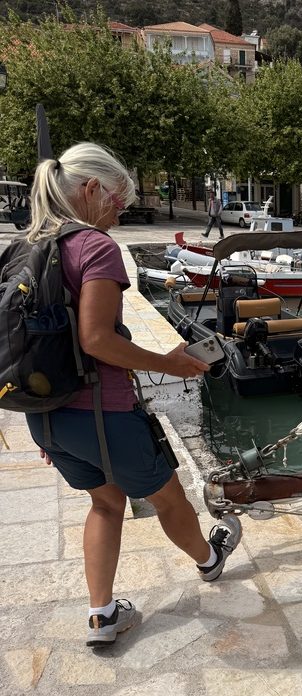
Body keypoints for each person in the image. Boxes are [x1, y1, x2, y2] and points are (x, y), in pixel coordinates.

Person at [24, 142, 241, 647]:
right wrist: (170, 363)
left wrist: (45, 409)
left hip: (47, 415)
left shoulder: (26, 246)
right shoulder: (94, 247)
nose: (121, 212)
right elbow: (96, 340)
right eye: (119, 200)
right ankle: (210, 560)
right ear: (91, 189)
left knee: (104, 504)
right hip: (103, 413)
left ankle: (102, 616)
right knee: (169, 497)